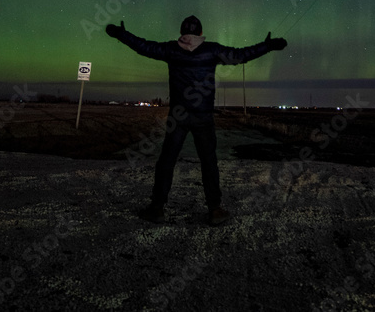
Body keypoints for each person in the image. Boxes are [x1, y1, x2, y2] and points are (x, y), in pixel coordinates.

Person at [105, 15, 287, 226]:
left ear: (182, 32)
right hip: (203, 117)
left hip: (178, 117)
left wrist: (121, 34)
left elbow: (144, 46)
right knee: (208, 162)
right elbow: (241, 55)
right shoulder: (212, 50)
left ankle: (156, 208)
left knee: (167, 161)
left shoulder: (171, 49)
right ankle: (215, 209)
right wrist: (267, 46)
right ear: (200, 33)